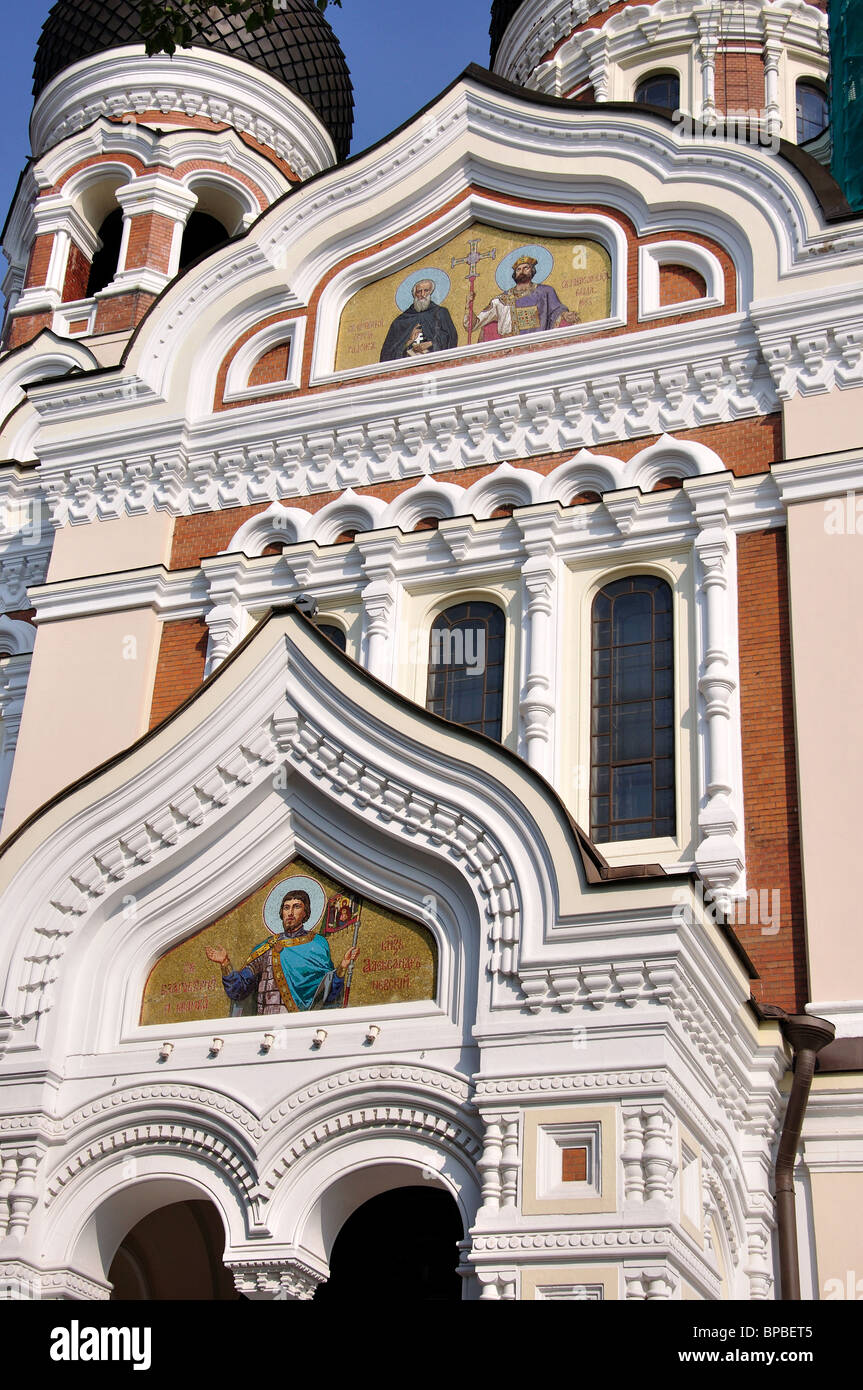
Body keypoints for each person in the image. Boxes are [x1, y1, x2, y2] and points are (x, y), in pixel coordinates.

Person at [206, 891, 360, 1015]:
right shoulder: (267, 947)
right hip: (265, 1023)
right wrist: (225, 963)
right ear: (281, 913)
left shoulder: (317, 944)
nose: (290, 912)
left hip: (300, 1023)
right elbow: (240, 989)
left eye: (297, 907)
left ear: (306, 913)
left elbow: (327, 992)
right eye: (286, 908)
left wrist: (342, 967)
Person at [465, 255, 580, 340]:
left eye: (526, 268)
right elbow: (473, 324)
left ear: (532, 271)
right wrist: (468, 307)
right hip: (509, 348)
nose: (522, 271)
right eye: (518, 269)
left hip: (538, 342)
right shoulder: (501, 300)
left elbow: (557, 310)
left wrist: (565, 315)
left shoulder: (545, 292)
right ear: (515, 274)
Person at [380, 278, 458, 361]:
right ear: (414, 294)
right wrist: (408, 341)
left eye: (426, 290)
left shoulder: (440, 313)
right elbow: (387, 354)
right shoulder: (400, 321)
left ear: (430, 292)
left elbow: (451, 337)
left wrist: (431, 343)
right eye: (419, 291)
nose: (422, 294)